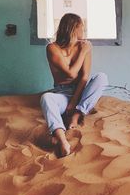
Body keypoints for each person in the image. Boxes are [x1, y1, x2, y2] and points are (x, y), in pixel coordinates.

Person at [40, 13, 108, 157]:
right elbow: (71, 74)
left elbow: (84, 77)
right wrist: (83, 52)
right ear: (73, 29)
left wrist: (74, 103)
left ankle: (77, 115)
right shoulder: (52, 48)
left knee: (102, 77)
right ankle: (62, 139)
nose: (84, 31)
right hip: (62, 94)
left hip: (80, 92)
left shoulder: (85, 46)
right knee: (46, 98)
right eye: (82, 27)